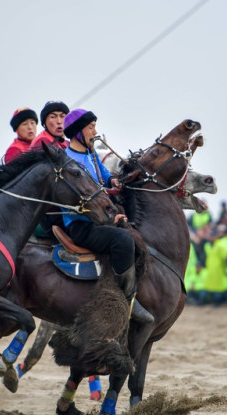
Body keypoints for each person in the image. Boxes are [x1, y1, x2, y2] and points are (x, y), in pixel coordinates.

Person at [61, 108, 153, 323]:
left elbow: (103, 175)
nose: (95, 131)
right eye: (91, 127)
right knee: (123, 239)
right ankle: (125, 301)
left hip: (101, 217)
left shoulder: (90, 154)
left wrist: (114, 181)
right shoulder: (68, 160)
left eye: (95, 126)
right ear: (77, 132)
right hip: (81, 224)